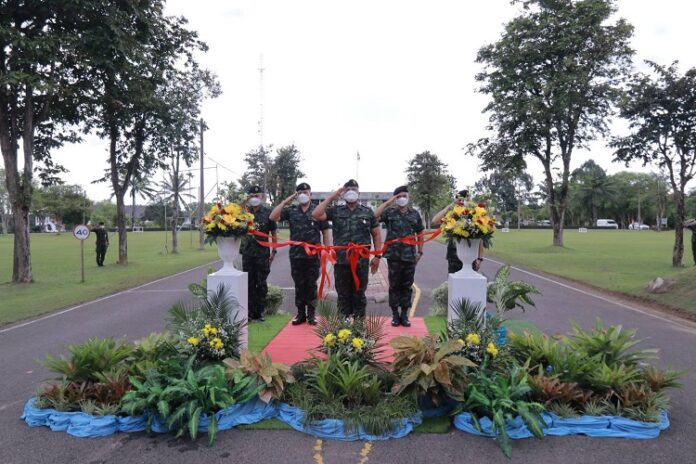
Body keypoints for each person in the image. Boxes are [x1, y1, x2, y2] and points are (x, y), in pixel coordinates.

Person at [313, 179, 383, 319]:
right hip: (341, 261)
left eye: (354, 189)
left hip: (361, 262)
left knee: (359, 293)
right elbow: (316, 214)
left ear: (359, 193)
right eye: (348, 189)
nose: (351, 192)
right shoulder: (336, 211)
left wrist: (377, 257)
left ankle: (358, 324)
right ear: (343, 193)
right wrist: (333, 196)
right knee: (343, 294)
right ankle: (344, 325)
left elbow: (376, 234)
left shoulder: (367, 212)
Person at [270, 182, 331, 325]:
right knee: (299, 284)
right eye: (300, 193)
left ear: (311, 194)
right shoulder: (291, 210)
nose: (303, 195)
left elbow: (325, 232)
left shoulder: (318, 211)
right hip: (296, 255)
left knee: (311, 284)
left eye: (305, 192)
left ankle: (311, 314)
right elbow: (273, 217)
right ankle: (300, 314)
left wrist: (326, 250)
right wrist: (285, 201)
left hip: (313, 255)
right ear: (296, 195)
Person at [374, 185, 424, 327]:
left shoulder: (415, 214)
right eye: (399, 196)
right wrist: (388, 202)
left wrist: (420, 252)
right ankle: (395, 314)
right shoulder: (390, 213)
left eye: (404, 196)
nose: (402, 198)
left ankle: (404, 314)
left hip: (409, 255)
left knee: (407, 285)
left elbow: (420, 233)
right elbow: (374, 216)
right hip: (394, 255)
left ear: (408, 197)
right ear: (395, 198)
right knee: (394, 285)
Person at [241, 185, 278, 322]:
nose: (254, 198)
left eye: (256, 196)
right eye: (251, 196)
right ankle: (250, 312)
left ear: (262, 197)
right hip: (248, 254)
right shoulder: (244, 213)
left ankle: (260, 311)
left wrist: (274, 251)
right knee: (249, 283)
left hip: (263, 254)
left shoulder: (269, 213)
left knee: (261, 283)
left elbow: (273, 233)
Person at [431, 189, 484, 273]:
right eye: (466, 199)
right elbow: (435, 221)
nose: (468, 202)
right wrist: (450, 206)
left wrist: (479, 258)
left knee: (471, 280)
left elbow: (480, 237)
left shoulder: (474, 215)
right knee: (454, 280)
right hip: (454, 257)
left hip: (470, 256)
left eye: (469, 200)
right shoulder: (452, 214)